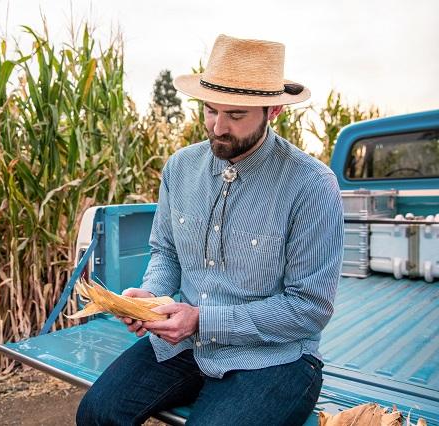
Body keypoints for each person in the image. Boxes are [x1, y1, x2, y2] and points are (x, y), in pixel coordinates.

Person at [76, 34, 344, 426]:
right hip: (183, 344)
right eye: (209, 110)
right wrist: (149, 298)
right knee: (96, 414)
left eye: (235, 116)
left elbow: (308, 309)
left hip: (274, 356)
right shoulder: (180, 168)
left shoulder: (311, 186)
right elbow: (166, 251)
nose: (218, 127)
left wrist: (202, 318)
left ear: (273, 112)